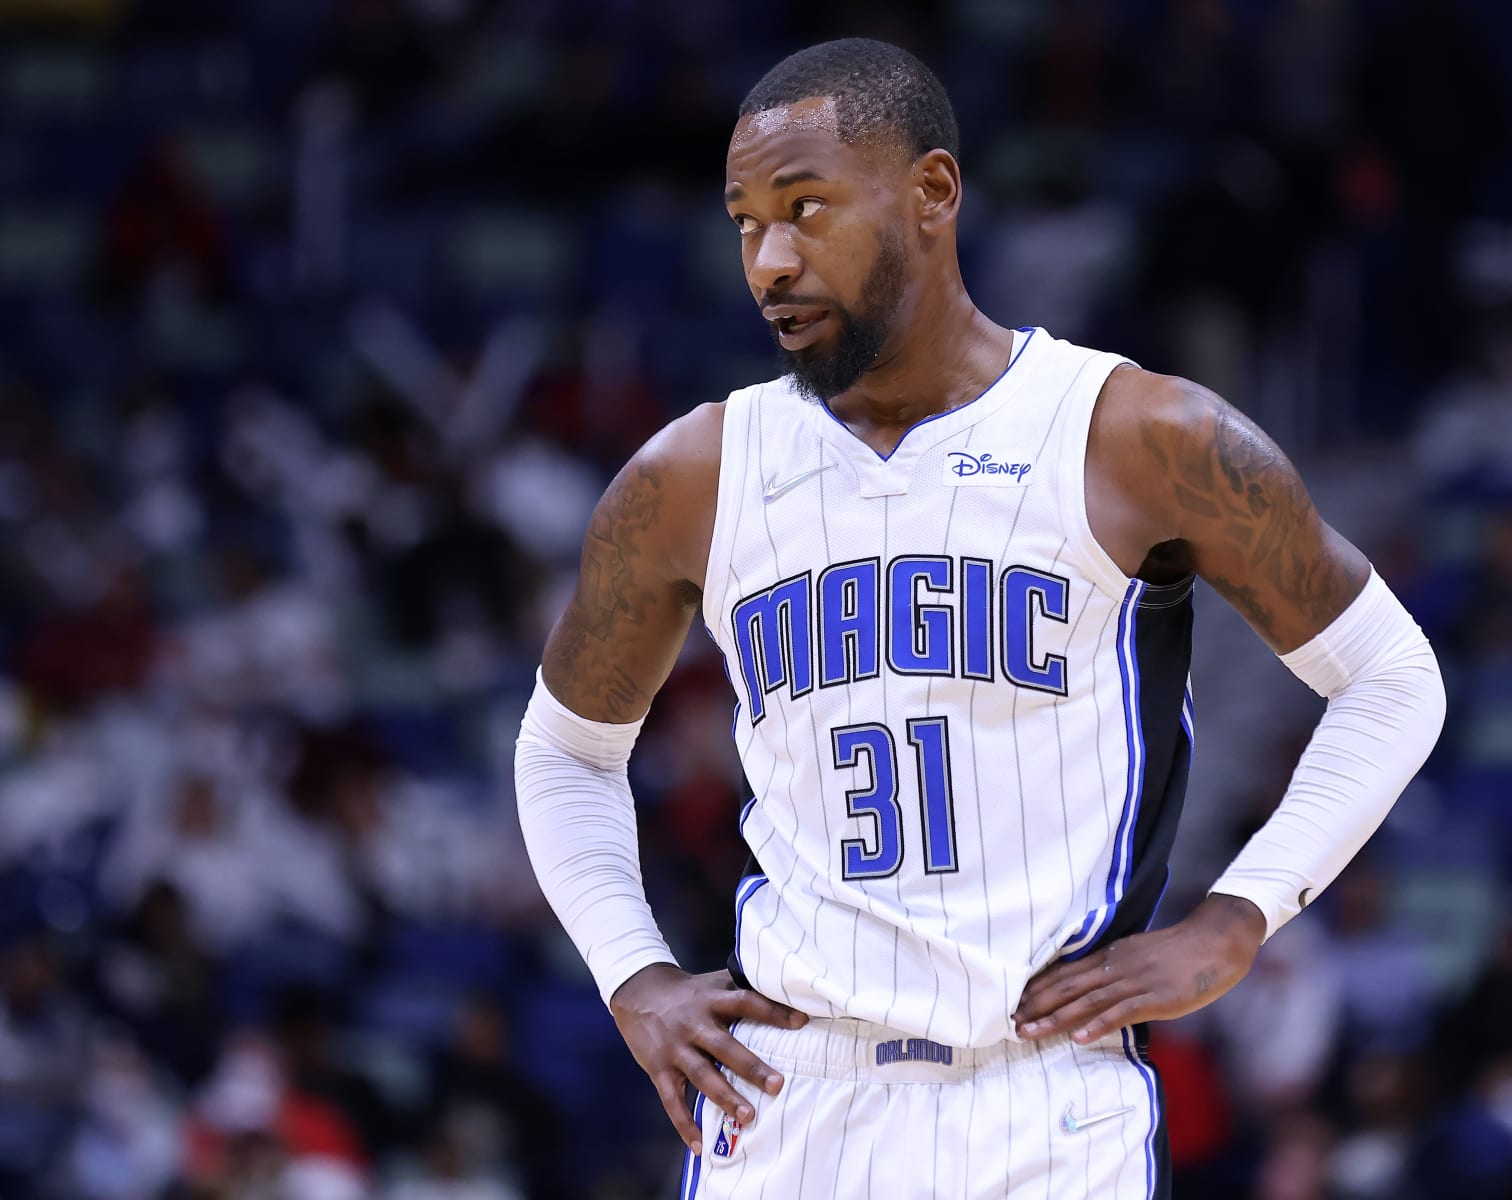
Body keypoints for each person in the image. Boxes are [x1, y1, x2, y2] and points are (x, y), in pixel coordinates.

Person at [515, 38, 1446, 1200]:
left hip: (1041, 1095)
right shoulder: (695, 472)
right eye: (746, 221)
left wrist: (1240, 918)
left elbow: (1393, 678)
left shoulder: (1137, 435)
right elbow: (566, 749)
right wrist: (632, 974)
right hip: (793, 1096)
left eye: (806, 209)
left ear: (934, 193)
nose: (772, 260)